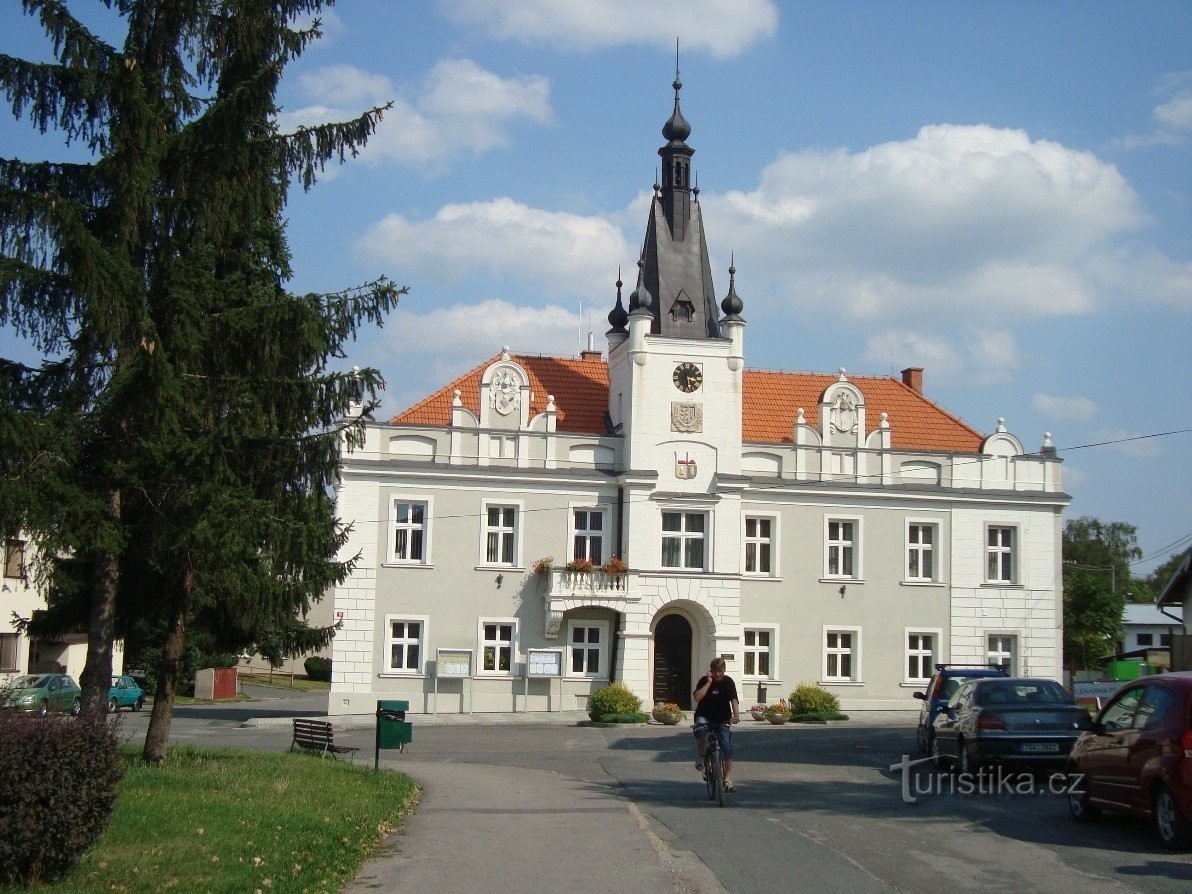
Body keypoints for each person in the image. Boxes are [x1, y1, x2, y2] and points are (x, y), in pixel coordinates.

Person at [692, 657, 740, 791]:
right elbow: (697, 697)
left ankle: (727, 780)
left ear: (724, 670)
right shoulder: (704, 680)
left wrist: (736, 716)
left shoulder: (728, 682)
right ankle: (702, 755)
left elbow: (734, 700)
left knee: (727, 748)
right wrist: (708, 683)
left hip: (723, 718)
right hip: (704, 716)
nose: (718, 674)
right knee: (700, 730)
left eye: (720, 671)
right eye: (715, 671)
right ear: (711, 671)